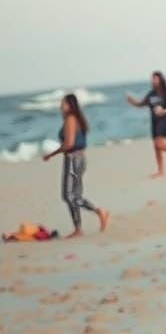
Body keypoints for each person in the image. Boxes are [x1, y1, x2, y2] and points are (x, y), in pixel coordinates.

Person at [41, 94, 109, 237]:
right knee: (74, 195)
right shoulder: (76, 119)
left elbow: (69, 143)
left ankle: (96, 213)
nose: (60, 106)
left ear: (70, 106)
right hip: (79, 158)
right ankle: (79, 228)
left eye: (63, 103)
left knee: (68, 195)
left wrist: (51, 154)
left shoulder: (71, 119)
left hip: (73, 159)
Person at [126, 71, 166, 177]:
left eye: (155, 78)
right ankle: (160, 171)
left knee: (160, 144)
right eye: (152, 78)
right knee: (156, 147)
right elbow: (140, 104)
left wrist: (164, 111)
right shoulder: (151, 93)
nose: (153, 80)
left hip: (164, 120)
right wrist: (132, 101)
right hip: (154, 121)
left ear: (160, 79)